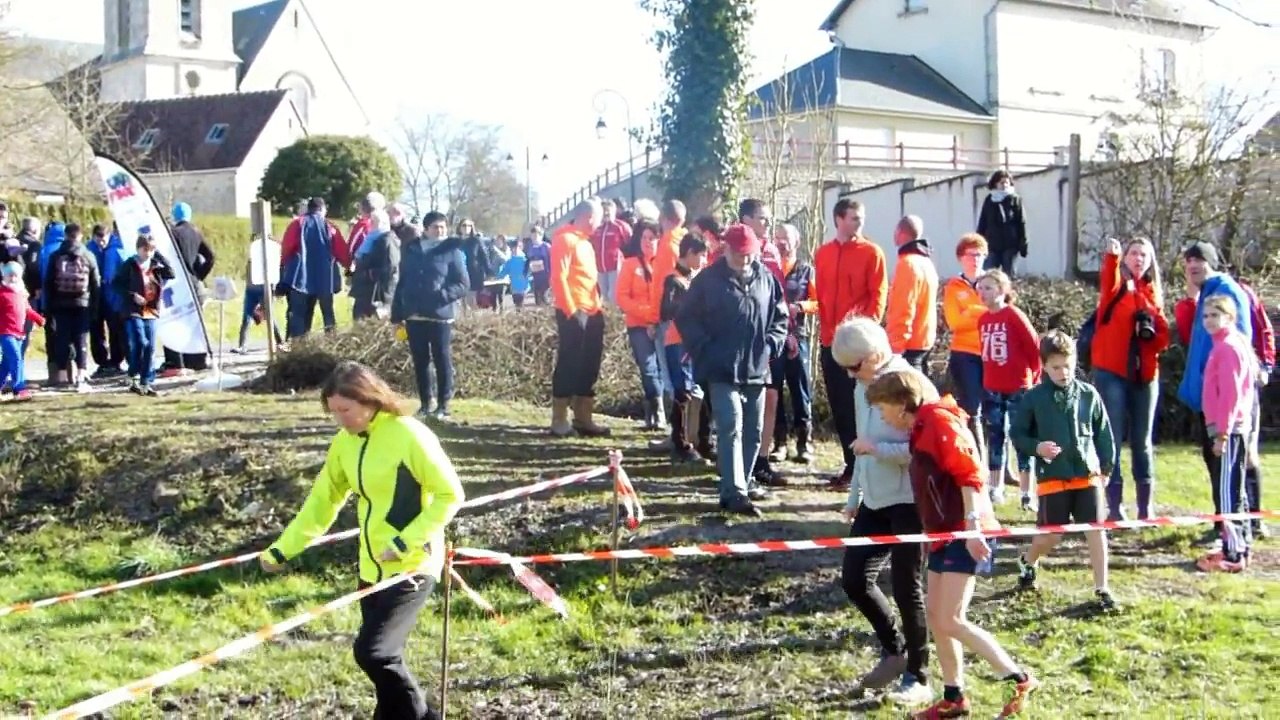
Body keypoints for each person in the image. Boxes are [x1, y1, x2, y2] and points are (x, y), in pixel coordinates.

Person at [259, 361, 465, 720]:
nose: (340, 419)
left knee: (375, 653)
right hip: (371, 567)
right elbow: (322, 502)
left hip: (412, 566)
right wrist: (283, 549)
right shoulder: (344, 442)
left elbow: (451, 495)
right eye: (333, 412)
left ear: (369, 401)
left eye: (346, 410)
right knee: (386, 663)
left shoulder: (410, 435)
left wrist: (405, 542)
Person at [865, 370, 1039, 720]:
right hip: (943, 532)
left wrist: (973, 527)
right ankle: (954, 697)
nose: (881, 417)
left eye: (882, 409)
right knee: (936, 617)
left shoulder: (939, 423)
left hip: (964, 530)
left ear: (901, 405)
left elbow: (970, 474)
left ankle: (1017, 678)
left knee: (952, 618)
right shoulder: (920, 428)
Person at [830, 316, 935, 706]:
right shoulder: (863, 385)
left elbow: (927, 450)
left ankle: (919, 676)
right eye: (844, 369)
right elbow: (862, 442)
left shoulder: (913, 385)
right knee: (854, 579)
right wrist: (855, 495)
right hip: (874, 501)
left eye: (853, 367)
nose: (849, 375)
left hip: (909, 501)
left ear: (874, 354)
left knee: (908, 589)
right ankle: (896, 650)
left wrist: (879, 452)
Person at [676, 224, 788, 517]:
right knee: (730, 425)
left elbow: (780, 316)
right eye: (740, 254)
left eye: (750, 254)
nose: (745, 260)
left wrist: (771, 345)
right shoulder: (707, 281)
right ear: (726, 250)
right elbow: (686, 317)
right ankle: (733, 492)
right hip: (720, 367)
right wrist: (703, 348)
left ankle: (745, 479)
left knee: (753, 431)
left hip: (756, 366)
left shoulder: (767, 279)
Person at [1010, 330, 1117, 609]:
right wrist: (1037, 448)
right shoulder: (1034, 398)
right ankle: (1028, 560)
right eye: (1056, 367)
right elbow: (1018, 435)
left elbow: (1104, 433)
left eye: (1068, 365)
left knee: (1096, 530)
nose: (1063, 372)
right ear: (1044, 366)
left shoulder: (1088, 394)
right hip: (1052, 477)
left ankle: (1102, 588)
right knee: (1051, 535)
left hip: (1087, 474)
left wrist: (1105, 467)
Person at [1175, 241, 1252, 537]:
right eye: (1189, 260)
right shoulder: (1206, 292)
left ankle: (1233, 532)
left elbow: (1236, 354)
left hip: (1225, 406)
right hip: (1210, 403)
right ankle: (1225, 525)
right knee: (1219, 467)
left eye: (1199, 260)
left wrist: (1223, 423)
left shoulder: (1224, 291)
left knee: (1229, 471)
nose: (1193, 265)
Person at [1090, 237, 1170, 520]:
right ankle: (1115, 506)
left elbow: (1163, 338)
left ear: (1150, 262)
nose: (1138, 258)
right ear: (1126, 258)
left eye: (1144, 255)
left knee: (1142, 439)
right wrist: (1111, 257)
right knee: (1111, 437)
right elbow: (1107, 279)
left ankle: (1145, 507)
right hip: (1111, 371)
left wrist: (1149, 330)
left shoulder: (1152, 293)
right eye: (1133, 253)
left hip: (1144, 374)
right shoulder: (1116, 287)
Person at [815, 199, 888, 491]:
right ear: (838, 219)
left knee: (864, 406)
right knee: (841, 406)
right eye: (855, 218)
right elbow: (820, 295)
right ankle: (851, 465)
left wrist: (865, 335)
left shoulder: (872, 252)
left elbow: (878, 296)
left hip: (858, 345)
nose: (860, 223)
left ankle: (868, 467)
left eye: (861, 218)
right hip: (829, 341)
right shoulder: (823, 253)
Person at [390, 211, 469, 420]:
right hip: (414, 314)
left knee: (442, 358)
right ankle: (426, 402)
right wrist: (397, 315)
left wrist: (442, 296)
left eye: (443, 227)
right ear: (425, 229)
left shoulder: (452, 250)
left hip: (440, 314)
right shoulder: (412, 249)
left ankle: (444, 404)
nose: (440, 230)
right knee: (420, 360)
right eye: (435, 227)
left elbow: (462, 283)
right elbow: (402, 281)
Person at [1197, 294, 1256, 573]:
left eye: (1215, 315)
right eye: (1206, 315)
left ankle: (1233, 553)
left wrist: (1221, 434)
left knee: (1228, 493)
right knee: (1235, 489)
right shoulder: (1225, 344)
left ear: (1229, 317)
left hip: (1229, 431)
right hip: (1232, 428)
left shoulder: (1227, 348)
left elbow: (1229, 396)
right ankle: (1240, 544)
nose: (1209, 320)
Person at [977, 269, 1039, 506]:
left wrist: (1032, 378)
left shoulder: (1013, 315)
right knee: (995, 437)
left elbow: (1034, 348)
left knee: (1022, 438)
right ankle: (995, 488)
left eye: (989, 288)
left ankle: (1026, 493)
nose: (983, 293)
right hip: (992, 386)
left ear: (1002, 291)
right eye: (980, 288)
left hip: (1018, 387)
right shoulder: (982, 320)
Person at [550, 199, 609, 437]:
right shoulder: (565, 239)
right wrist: (571, 311)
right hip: (574, 311)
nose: (601, 223)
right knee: (569, 362)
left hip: (592, 310)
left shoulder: (585, 242)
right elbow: (559, 278)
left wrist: (598, 305)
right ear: (589, 217)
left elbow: (589, 278)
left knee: (589, 364)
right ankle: (559, 419)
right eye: (600, 218)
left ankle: (584, 418)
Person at [660, 232, 711, 463]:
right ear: (689, 253)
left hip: (694, 341)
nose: (704, 260)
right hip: (677, 340)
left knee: (698, 389)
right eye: (701, 255)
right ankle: (679, 441)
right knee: (682, 391)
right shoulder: (673, 280)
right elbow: (665, 310)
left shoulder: (697, 278)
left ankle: (699, 439)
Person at [942, 233, 991, 470]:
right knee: (973, 409)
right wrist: (981, 310)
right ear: (961, 258)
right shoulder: (953, 287)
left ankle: (1000, 468)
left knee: (998, 411)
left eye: (980, 254)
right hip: (965, 354)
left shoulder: (993, 282)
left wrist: (969, 312)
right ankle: (979, 464)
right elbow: (954, 322)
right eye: (972, 254)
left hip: (992, 353)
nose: (976, 259)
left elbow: (1002, 314)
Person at [769, 222, 817, 464]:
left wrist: (800, 307)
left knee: (800, 389)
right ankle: (779, 442)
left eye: (785, 238)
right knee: (774, 389)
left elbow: (819, 302)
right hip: (774, 337)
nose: (781, 242)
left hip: (798, 337)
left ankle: (804, 442)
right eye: (777, 237)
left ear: (796, 242)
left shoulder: (806, 270)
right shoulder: (769, 268)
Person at [113, 231, 175, 397]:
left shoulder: (155, 266)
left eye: (151, 249)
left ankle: (145, 382)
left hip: (151, 310)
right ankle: (133, 373)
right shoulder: (130, 265)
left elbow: (171, 273)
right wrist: (132, 295)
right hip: (133, 310)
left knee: (150, 346)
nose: (148, 253)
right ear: (138, 249)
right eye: (145, 249)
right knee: (141, 342)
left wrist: (159, 254)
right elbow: (116, 284)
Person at [616, 218, 665, 430]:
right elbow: (622, 297)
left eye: (652, 238)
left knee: (664, 369)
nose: (648, 242)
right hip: (638, 325)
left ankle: (665, 413)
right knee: (648, 368)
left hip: (662, 325)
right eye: (644, 238)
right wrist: (647, 316)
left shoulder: (665, 264)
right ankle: (655, 410)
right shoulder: (630, 264)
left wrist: (657, 319)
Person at [281, 197, 351, 338]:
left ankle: (299, 348)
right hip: (325, 278)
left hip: (301, 278)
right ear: (322, 209)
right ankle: (331, 344)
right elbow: (342, 251)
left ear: (309, 209)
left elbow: (287, 248)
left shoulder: (297, 224)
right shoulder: (330, 227)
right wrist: (349, 266)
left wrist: (283, 266)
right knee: (328, 315)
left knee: (299, 315)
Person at [43, 222, 100, 392]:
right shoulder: (88, 255)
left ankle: (61, 376)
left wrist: (49, 306)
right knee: (81, 338)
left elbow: (48, 282)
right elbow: (96, 284)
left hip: (60, 303)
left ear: (66, 235)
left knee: (62, 338)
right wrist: (94, 307)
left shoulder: (56, 255)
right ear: (80, 235)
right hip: (82, 303)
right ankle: (81, 375)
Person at [163, 201, 215, 374]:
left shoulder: (173, 233)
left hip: (178, 283)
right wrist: (199, 274)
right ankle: (198, 360)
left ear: (175, 216)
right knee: (194, 323)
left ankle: (175, 362)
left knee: (176, 321)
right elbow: (211, 257)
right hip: (194, 283)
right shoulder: (196, 232)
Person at [885, 215, 939, 371]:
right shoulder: (926, 262)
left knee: (909, 394)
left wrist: (895, 347)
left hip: (909, 345)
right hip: (924, 339)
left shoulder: (907, 264)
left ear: (899, 232)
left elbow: (903, 308)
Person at [86, 224, 127, 379]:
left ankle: (116, 361)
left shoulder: (117, 249)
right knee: (97, 330)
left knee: (115, 330)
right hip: (96, 296)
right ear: (93, 237)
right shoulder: (89, 249)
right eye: (98, 239)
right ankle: (102, 362)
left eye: (103, 240)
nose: (101, 243)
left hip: (114, 297)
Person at [0, 261, 43, 400]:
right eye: (10, 275)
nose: (12, 278)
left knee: (7, 364)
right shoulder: (2, 293)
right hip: (5, 332)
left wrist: (38, 318)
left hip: (19, 333)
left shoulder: (21, 293)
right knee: (17, 359)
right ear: (4, 277)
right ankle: (19, 389)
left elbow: (27, 310)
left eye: (15, 276)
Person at [350, 209, 401, 321]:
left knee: (369, 323)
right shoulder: (373, 239)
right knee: (359, 320)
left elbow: (390, 267)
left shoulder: (388, 240)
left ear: (382, 224)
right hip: (366, 291)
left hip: (377, 294)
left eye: (373, 222)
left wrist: (370, 274)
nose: (370, 224)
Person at [976, 169, 1027, 276]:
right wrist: (978, 242)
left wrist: (1023, 243)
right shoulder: (990, 200)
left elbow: (1021, 221)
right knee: (988, 274)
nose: (1004, 185)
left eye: (1006, 182)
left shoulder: (1015, 199)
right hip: (992, 244)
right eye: (1001, 182)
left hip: (1010, 244)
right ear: (995, 183)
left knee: (1009, 275)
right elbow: (983, 221)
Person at [591, 198, 630, 306]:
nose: (606, 214)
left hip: (614, 266)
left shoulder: (621, 226)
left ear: (614, 211)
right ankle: (607, 318)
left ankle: (615, 317)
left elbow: (629, 244)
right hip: (599, 266)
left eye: (608, 211)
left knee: (613, 295)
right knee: (603, 295)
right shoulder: (596, 228)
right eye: (604, 211)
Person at [497, 238, 530, 308]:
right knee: (517, 305)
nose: (515, 250)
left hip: (523, 287)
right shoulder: (510, 261)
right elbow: (504, 272)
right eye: (513, 248)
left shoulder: (525, 261)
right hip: (514, 288)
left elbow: (530, 271)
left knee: (520, 304)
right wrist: (497, 277)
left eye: (517, 248)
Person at [524, 225, 552, 306]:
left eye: (536, 235)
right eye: (532, 235)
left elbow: (552, 260)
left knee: (545, 297)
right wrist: (525, 272)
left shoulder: (546, 247)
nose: (534, 237)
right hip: (535, 276)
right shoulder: (530, 247)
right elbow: (527, 260)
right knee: (537, 298)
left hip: (546, 275)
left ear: (541, 235)